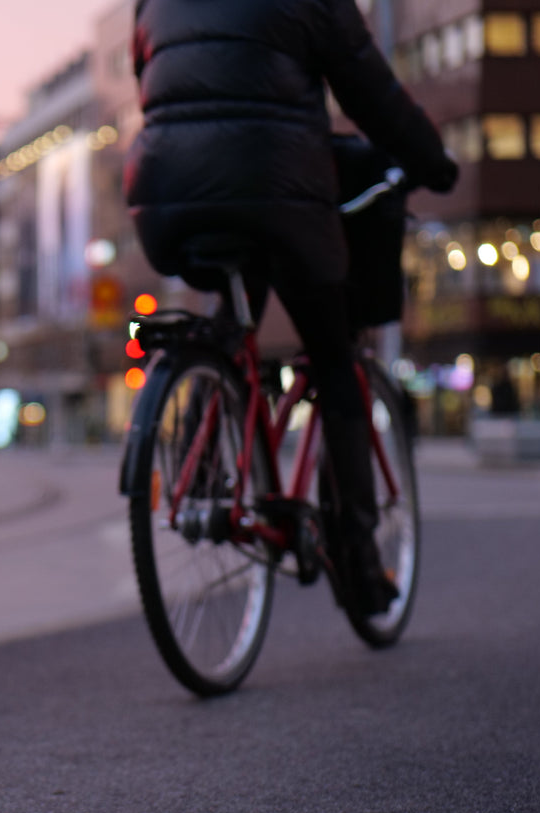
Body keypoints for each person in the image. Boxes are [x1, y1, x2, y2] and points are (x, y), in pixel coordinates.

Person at [125, 0, 458, 615]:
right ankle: (360, 565)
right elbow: (370, 92)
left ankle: (203, 471)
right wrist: (431, 162)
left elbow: (158, 78)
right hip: (278, 189)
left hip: (165, 192)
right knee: (335, 359)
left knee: (229, 327)